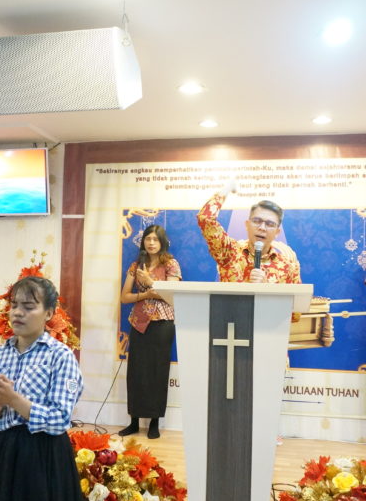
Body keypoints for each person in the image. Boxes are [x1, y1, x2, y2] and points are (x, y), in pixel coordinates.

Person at [0, 276, 84, 501]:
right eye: (14, 305)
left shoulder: (60, 356)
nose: (17, 313)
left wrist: (13, 399)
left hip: (44, 455)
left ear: (48, 313)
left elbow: (60, 418)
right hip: (1, 453)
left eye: (29, 306)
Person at [119, 224, 182, 439]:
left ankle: (154, 422)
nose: (151, 243)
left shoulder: (171, 264)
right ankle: (134, 422)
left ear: (162, 242)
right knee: (136, 372)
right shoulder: (136, 265)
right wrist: (146, 294)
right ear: (143, 241)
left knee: (157, 372)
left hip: (162, 324)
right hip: (139, 323)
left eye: (155, 239)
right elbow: (125, 297)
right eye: (148, 239)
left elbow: (171, 296)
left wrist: (150, 283)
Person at [197, 178, 301, 283]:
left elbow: (297, 294)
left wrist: (268, 288)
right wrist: (226, 190)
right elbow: (205, 219)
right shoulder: (229, 252)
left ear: (277, 232)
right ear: (247, 225)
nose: (262, 227)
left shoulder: (288, 267)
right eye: (257, 221)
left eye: (269, 224)